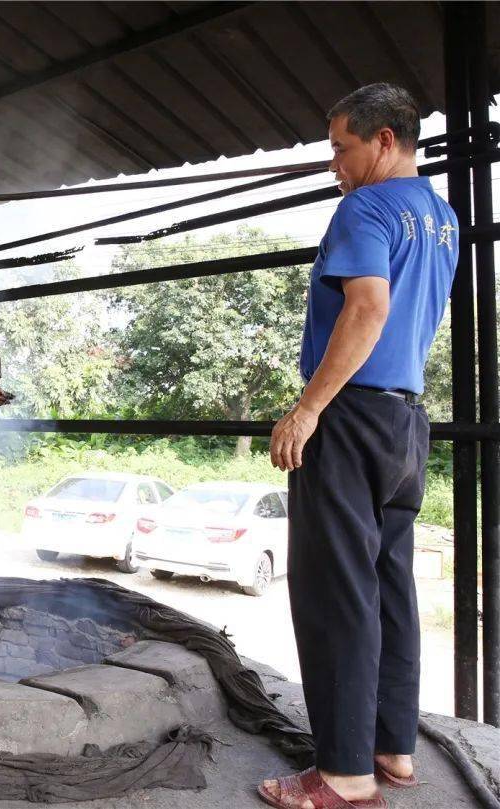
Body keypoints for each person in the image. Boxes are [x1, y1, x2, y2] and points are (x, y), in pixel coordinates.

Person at [260, 84, 458, 809]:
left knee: (335, 591)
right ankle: (391, 748)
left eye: (342, 148)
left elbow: (368, 305)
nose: (334, 165)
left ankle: (344, 774)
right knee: (388, 586)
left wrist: (309, 409)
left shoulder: (366, 207)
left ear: (383, 142)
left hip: (349, 418)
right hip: (406, 423)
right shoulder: (443, 218)